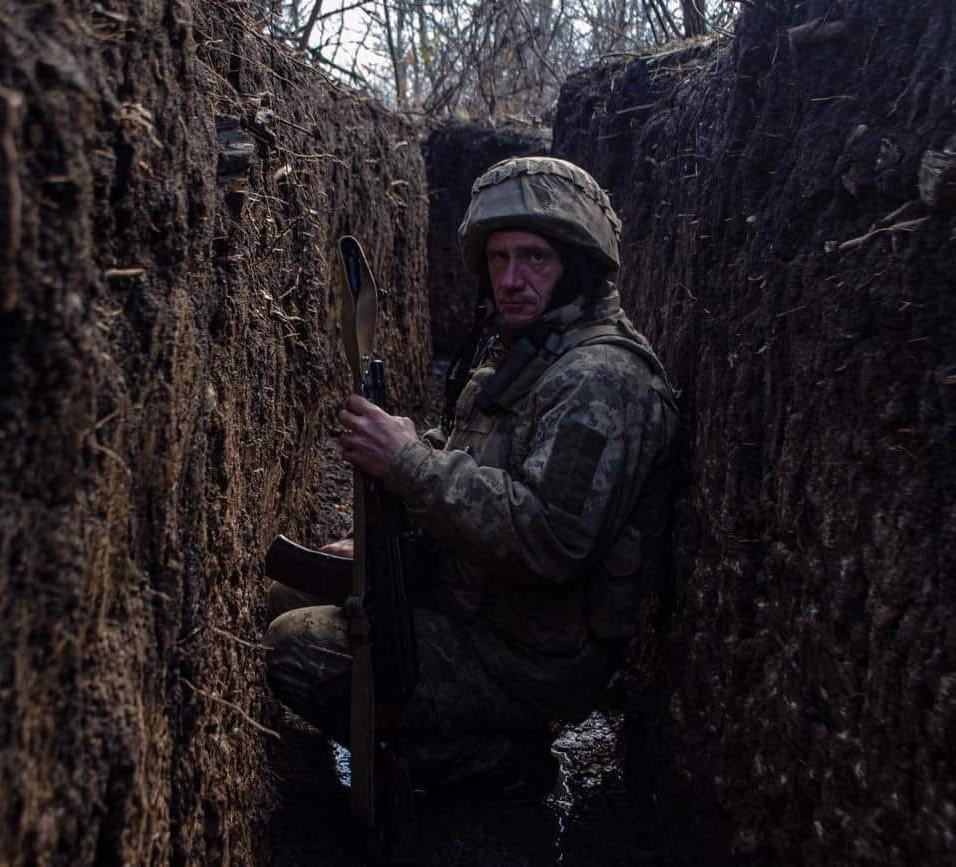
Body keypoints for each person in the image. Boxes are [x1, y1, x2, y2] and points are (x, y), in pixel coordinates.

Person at [265, 156, 679, 800]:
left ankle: (493, 762)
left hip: (530, 652)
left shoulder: (601, 379)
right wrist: (388, 529)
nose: (511, 279)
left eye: (534, 258)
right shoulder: (529, 348)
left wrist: (407, 463)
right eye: (499, 258)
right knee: (287, 594)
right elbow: (475, 449)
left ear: (576, 262)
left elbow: (549, 540)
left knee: (297, 647)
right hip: (473, 599)